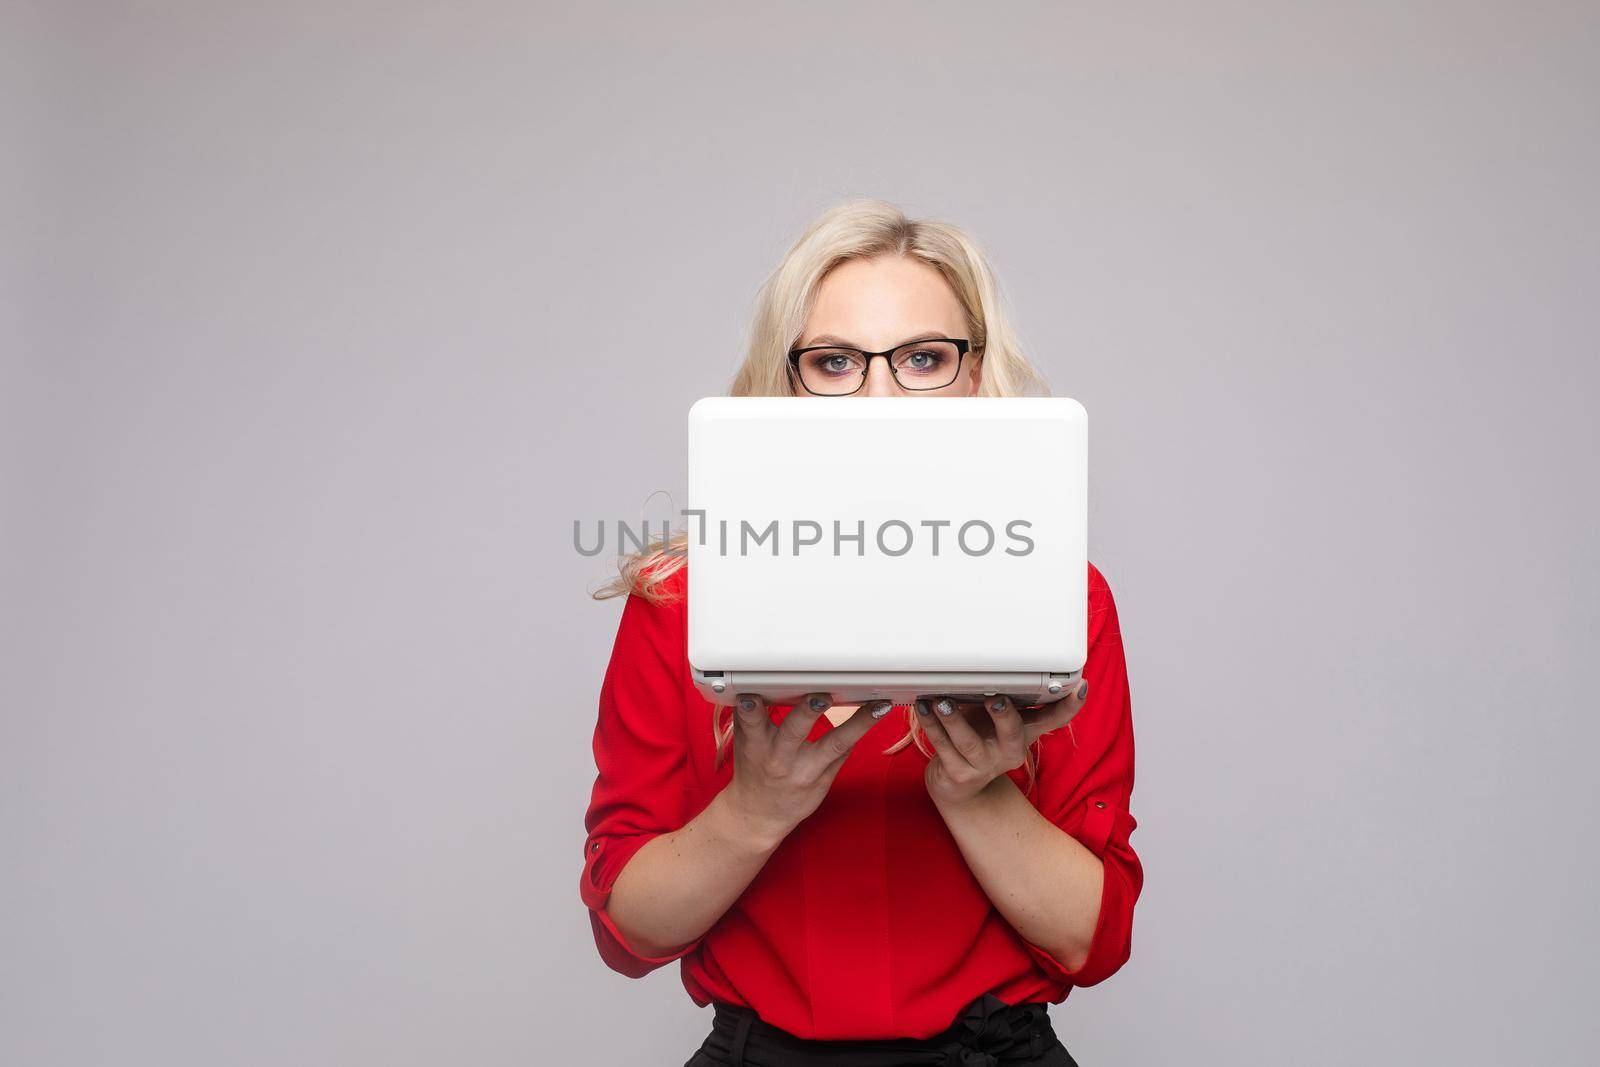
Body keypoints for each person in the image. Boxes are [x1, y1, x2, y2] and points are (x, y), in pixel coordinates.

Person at [580, 199, 1142, 1066]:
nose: (880, 397)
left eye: (924, 358)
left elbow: (1091, 945)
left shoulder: (1065, 602)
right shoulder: (679, 600)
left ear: (975, 374)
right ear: (786, 380)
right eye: (836, 362)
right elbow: (628, 933)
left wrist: (975, 791)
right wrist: (756, 808)